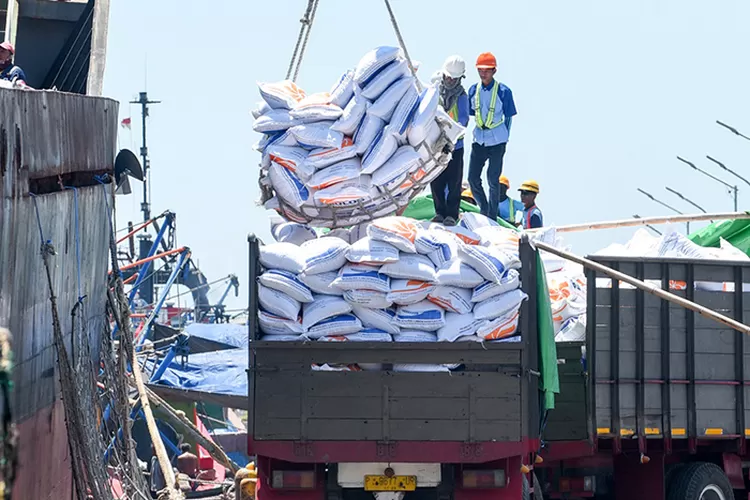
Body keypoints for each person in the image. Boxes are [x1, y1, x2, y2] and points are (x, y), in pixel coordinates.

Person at [467, 52, 517, 222]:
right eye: (480, 70)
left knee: (493, 180)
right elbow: (471, 113)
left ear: (494, 71)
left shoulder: (504, 91)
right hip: (479, 139)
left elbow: (509, 117)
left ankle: (492, 216)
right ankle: (485, 209)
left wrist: (505, 137)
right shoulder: (474, 90)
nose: (483, 73)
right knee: (472, 178)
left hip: (497, 141)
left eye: (487, 70)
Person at [430, 55, 470, 226]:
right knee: (436, 178)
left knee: (454, 181)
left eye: (454, 79)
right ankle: (439, 212)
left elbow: (463, 120)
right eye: (448, 77)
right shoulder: (436, 91)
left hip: (455, 145)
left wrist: (451, 136)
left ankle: (451, 215)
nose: (450, 81)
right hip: (437, 143)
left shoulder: (462, 96)